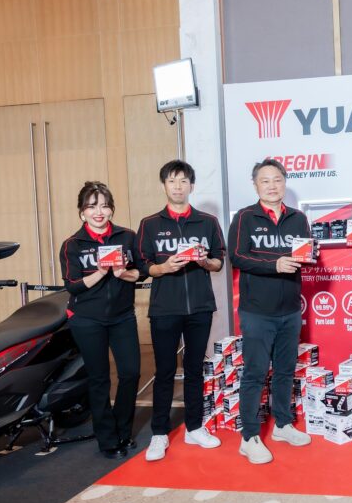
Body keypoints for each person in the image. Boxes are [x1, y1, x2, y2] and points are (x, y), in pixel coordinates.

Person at [137, 160, 226, 461]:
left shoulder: (207, 222)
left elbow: (218, 261)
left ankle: (194, 427)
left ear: (192, 186)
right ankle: (159, 433)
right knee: (164, 371)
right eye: (172, 181)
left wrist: (204, 262)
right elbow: (143, 265)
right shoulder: (150, 224)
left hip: (200, 307)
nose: (178, 186)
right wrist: (163, 267)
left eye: (183, 181)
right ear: (164, 185)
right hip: (164, 308)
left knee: (194, 369)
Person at [227, 158, 312, 464]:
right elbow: (237, 256)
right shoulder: (245, 217)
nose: (272, 186)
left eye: (277, 180)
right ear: (255, 185)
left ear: (284, 182)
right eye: (265, 181)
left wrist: (308, 256)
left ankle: (283, 425)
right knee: (255, 373)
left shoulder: (298, 219)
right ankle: (249, 437)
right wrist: (274, 264)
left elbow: (305, 254)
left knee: (286, 370)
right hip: (257, 311)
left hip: (290, 309)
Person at [59, 181, 142, 460]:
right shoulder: (72, 244)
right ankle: (107, 439)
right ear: (82, 212)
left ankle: (123, 430)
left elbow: (141, 272)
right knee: (99, 378)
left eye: (104, 206)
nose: (99, 212)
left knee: (130, 373)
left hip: (122, 317)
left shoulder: (127, 237)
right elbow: (72, 286)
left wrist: (123, 273)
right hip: (87, 319)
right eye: (92, 206)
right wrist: (101, 271)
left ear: (112, 209)